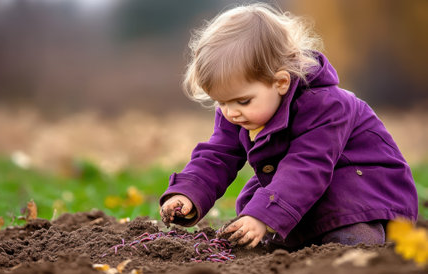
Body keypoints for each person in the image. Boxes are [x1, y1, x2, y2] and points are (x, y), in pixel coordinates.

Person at [159, 3, 418, 249]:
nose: (230, 112)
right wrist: (188, 193)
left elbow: (306, 166)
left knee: (347, 236)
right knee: (253, 212)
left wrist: (263, 217)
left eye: (242, 100)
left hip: (366, 192)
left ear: (280, 82)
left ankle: (360, 241)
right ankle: (292, 236)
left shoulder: (327, 106)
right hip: (307, 189)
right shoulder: (237, 112)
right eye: (221, 102)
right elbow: (217, 155)